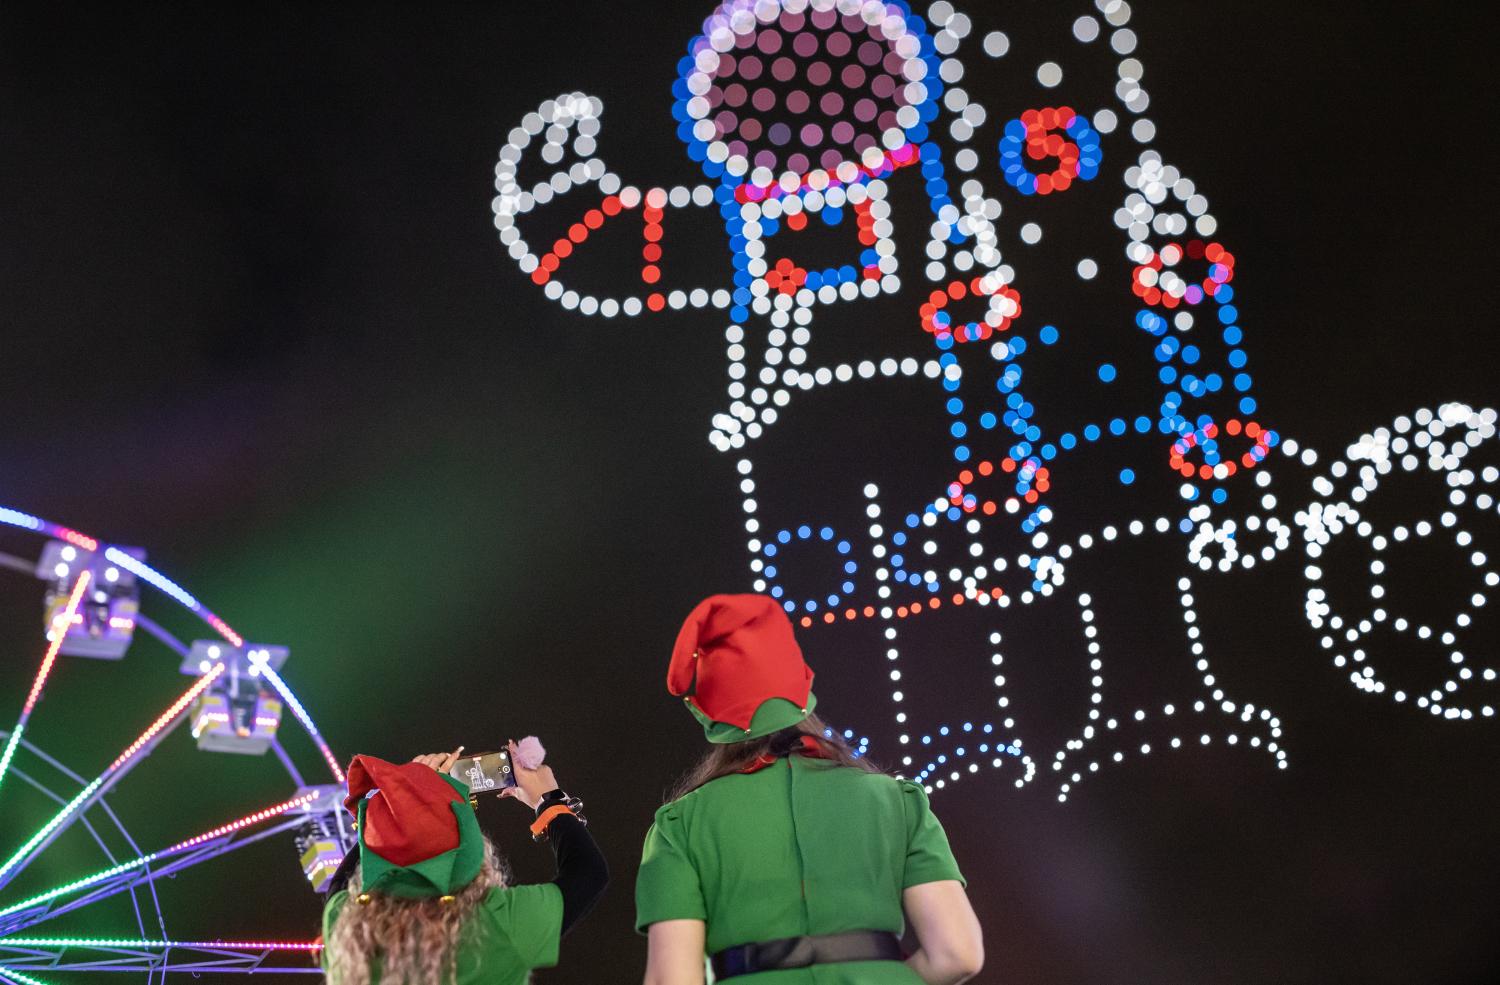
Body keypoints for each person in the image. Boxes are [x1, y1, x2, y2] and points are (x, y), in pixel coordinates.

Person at [637, 594, 985, 985]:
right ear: (802, 685)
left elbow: (673, 979)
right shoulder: (897, 801)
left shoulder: (679, 825)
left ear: (707, 711)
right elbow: (959, 954)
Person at [322, 740, 607, 985]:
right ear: (467, 843)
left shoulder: (345, 929)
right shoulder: (496, 925)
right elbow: (589, 873)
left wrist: (400, 799)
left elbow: (345, 878)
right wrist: (550, 801)